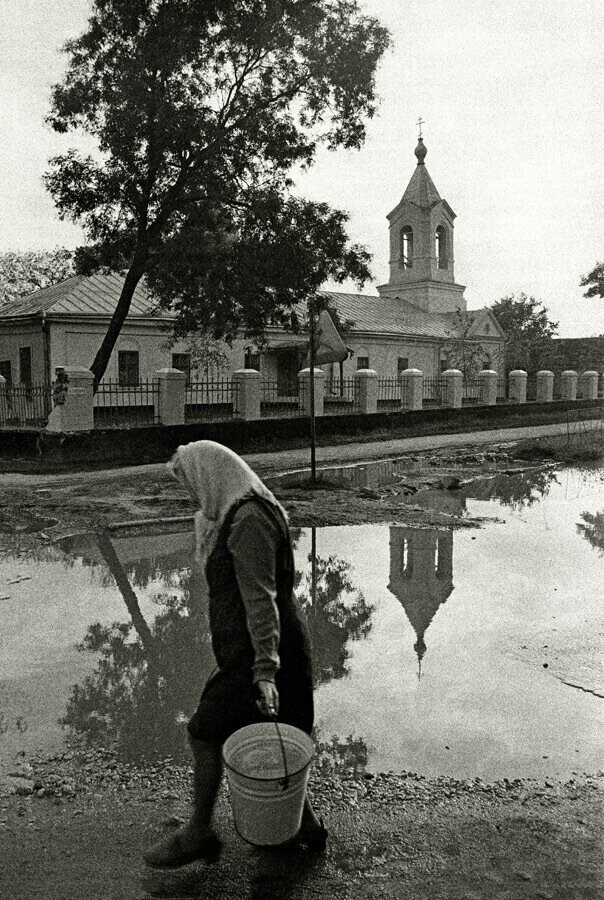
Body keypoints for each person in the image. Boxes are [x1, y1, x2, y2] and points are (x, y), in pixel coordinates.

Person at [144, 440, 326, 868]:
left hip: (262, 656)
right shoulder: (237, 511)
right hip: (258, 653)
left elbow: (260, 600)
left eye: (190, 484)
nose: (191, 496)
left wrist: (264, 670)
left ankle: (199, 832)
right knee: (278, 739)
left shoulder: (247, 521)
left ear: (209, 475)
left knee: (205, 731)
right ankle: (307, 828)